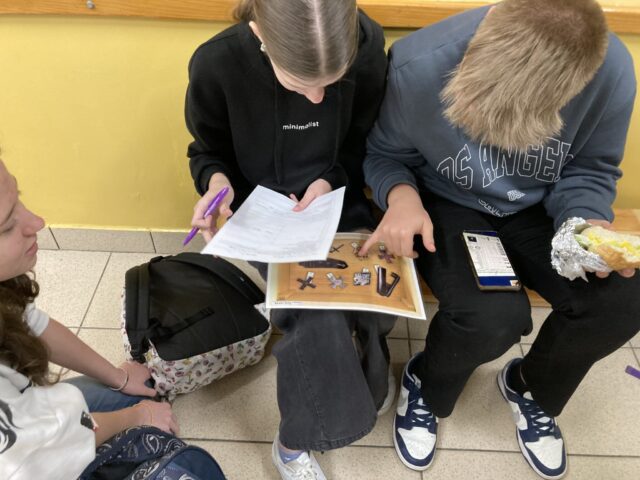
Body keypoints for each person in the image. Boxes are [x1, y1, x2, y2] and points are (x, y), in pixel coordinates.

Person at [361, 0, 639, 478]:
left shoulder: (611, 70)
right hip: (449, 203)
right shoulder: (418, 64)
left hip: (543, 208)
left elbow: (591, 169)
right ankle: (425, 383)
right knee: (490, 316)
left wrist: (586, 225)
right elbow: (384, 154)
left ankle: (530, 385)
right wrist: (401, 198)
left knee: (622, 299)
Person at [184, 1, 393, 478]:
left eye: (331, 84)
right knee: (315, 313)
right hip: (261, 209)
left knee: (376, 288)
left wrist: (331, 178)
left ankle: (369, 381)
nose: (317, 99)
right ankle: (295, 443)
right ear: (259, 33)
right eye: (299, 83)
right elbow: (206, 151)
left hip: (334, 195)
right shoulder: (217, 63)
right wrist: (217, 185)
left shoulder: (366, 43)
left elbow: (364, 140)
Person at [0, 158, 179, 479]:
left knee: (127, 392)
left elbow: (33, 326)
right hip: (27, 464)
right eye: (6, 226)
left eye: (18, 198)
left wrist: (118, 377)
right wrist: (139, 416)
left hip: (26, 428)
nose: (37, 222)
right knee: (169, 453)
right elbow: (46, 449)